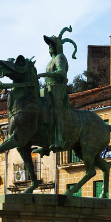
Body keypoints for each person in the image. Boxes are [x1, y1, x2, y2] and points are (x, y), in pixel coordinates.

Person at [37, 26, 78, 154]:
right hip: (48, 88)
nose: (50, 46)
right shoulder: (51, 60)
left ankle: (59, 139)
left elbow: (61, 72)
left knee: (56, 112)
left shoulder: (60, 57)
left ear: (58, 46)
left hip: (58, 89)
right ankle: (45, 141)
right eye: (49, 44)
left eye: (52, 44)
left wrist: (46, 74)